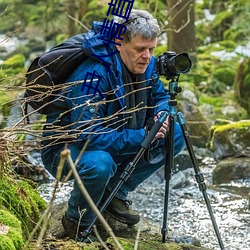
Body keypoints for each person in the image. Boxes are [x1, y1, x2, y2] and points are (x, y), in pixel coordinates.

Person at [41, 9, 185, 241]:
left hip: (117, 136)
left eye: (152, 49)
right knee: (100, 164)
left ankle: (115, 193)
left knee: (175, 132)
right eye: (140, 49)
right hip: (67, 150)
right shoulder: (92, 76)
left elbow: (159, 96)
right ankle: (76, 221)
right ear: (119, 43)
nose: (147, 56)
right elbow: (86, 135)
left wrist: (161, 114)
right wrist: (142, 135)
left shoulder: (146, 65)